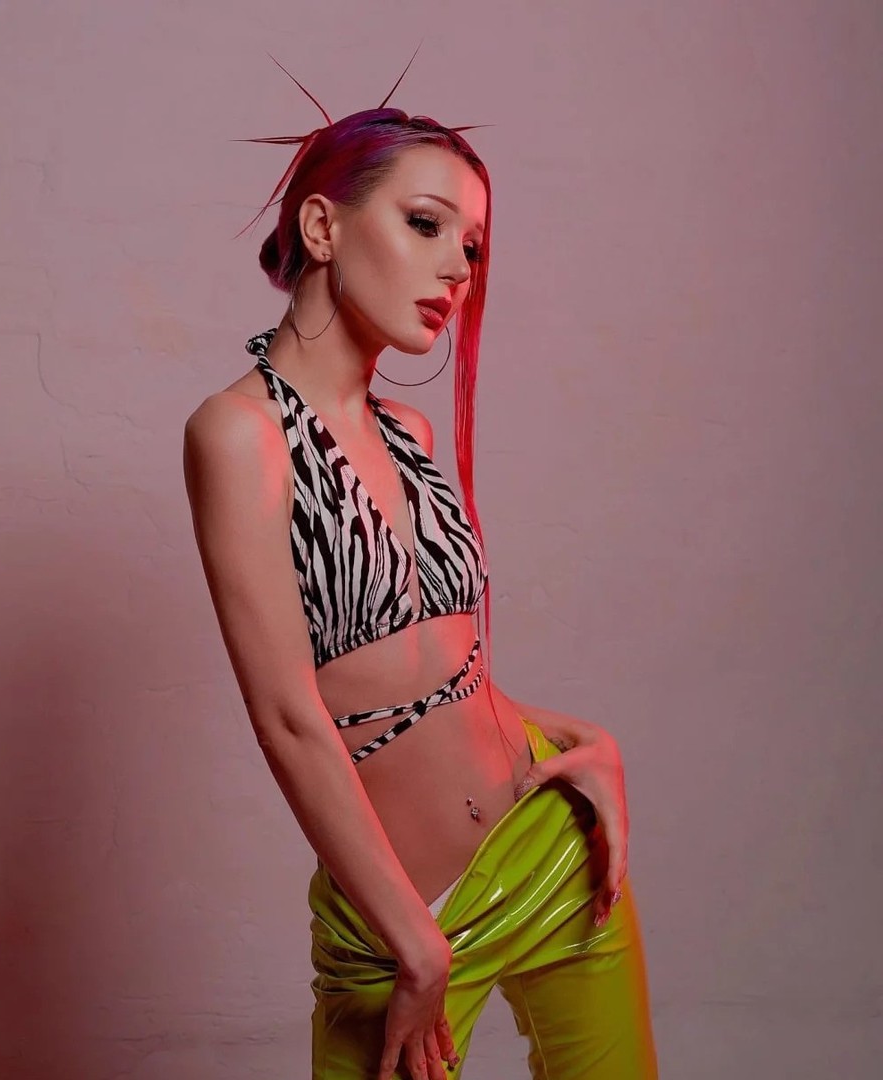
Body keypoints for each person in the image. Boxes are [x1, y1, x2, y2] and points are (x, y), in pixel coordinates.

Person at [183, 54, 658, 1080]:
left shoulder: (409, 432)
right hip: (406, 917)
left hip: (554, 853)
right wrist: (416, 943)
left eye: (472, 246)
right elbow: (289, 716)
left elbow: (437, 677)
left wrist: (588, 741)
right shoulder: (239, 435)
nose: (458, 270)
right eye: (426, 224)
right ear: (322, 227)